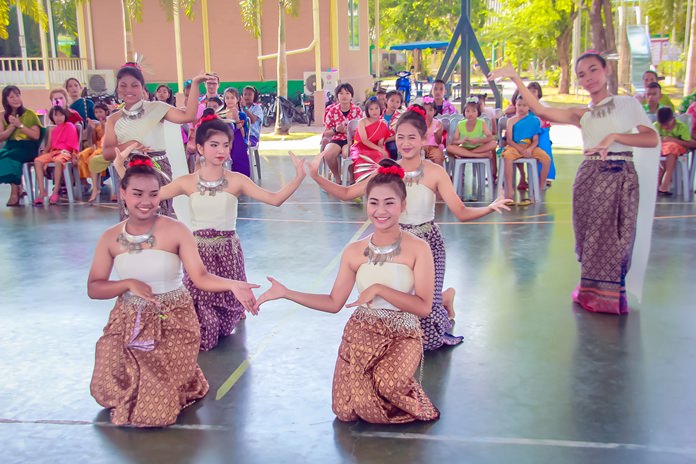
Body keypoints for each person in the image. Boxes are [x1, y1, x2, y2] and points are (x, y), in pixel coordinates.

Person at [254, 159, 440, 424]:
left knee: (388, 384)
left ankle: (403, 394)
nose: (381, 210)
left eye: (389, 203)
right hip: (362, 331)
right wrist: (287, 292)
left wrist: (379, 289)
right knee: (345, 410)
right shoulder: (354, 251)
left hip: (402, 332)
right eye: (373, 202)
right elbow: (333, 302)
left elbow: (423, 307)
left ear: (403, 205)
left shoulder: (418, 248)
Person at [309, 106, 510, 350]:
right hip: (395, 244)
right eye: (400, 137)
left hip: (427, 243)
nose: (405, 143)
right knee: (401, 307)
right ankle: (442, 298)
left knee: (427, 340)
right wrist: (315, 176)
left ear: (424, 139)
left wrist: (490, 207)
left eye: (412, 137)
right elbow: (348, 192)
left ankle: (442, 298)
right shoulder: (388, 171)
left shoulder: (435, 172)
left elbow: (461, 212)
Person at [87, 154, 259, 427]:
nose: (146, 202)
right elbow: (95, 287)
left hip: (174, 321)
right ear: (122, 193)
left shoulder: (177, 230)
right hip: (128, 320)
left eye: (153, 194)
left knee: (153, 411)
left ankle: (175, 380)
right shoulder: (110, 237)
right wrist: (127, 284)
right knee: (106, 389)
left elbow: (200, 277)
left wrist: (232, 284)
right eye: (137, 194)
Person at [115, 114, 305, 350]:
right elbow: (150, 196)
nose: (221, 151)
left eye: (226, 145)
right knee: (202, 325)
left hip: (228, 252)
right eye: (214, 145)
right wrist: (120, 169)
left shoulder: (237, 180)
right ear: (201, 148)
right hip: (198, 254)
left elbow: (275, 200)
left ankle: (230, 310)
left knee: (226, 320)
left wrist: (299, 177)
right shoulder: (187, 182)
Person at [490, 54, 660, 315]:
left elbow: (651, 139)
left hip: (619, 175)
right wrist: (515, 77)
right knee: (587, 239)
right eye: (581, 74)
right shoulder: (582, 113)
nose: (588, 77)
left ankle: (610, 297)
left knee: (615, 240)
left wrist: (614, 136)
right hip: (588, 175)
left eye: (593, 70)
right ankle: (589, 292)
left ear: (606, 70)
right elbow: (542, 110)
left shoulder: (627, 104)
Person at [102, 63, 210, 219]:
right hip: (128, 172)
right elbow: (107, 153)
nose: (128, 90)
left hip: (157, 168)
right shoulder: (113, 119)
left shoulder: (157, 108)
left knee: (159, 216)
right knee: (132, 218)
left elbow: (189, 116)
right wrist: (130, 144)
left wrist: (195, 84)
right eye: (123, 86)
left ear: (143, 87)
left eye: (134, 85)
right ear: (118, 89)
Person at [500, 96, 551, 202]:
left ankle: (540, 186)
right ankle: (510, 189)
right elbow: (509, 140)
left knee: (546, 159)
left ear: (529, 107)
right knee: (507, 157)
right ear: (515, 106)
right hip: (514, 146)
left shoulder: (534, 120)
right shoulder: (511, 121)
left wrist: (530, 149)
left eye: (524, 105)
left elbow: (535, 140)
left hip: (530, 147)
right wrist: (520, 149)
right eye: (519, 105)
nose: (521, 108)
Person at [0, 85, 43, 206]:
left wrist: (20, 126)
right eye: (11, 97)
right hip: (11, 145)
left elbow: (36, 136)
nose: (15, 99)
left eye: (17, 95)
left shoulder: (30, 114)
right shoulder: (2, 116)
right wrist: (12, 127)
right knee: (4, 155)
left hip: (27, 146)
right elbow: (1, 137)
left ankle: (15, 190)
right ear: (6, 100)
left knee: (12, 156)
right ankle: (18, 186)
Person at [33, 106, 80, 205]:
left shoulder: (70, 126)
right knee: (38, 161)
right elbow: (49, 145)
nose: (58, 117)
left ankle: (55, 191)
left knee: (58, 161)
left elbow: (73, 144)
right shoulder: (51, 128)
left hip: (65, 152)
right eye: (56, 115)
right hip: (53, 152)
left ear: (65, 116)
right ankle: (42, 192)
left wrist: (75, 155)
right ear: (52, 117)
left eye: (61, 115)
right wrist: (44, 152)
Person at [320, 83, 363, 183]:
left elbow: (362, 129)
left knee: (347, 153)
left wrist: (349, 131)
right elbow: (326, 133)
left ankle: (352, 177)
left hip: (351, 140)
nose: (344, 96)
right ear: (337, 96)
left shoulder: (357, 110)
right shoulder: (332, 111)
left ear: (351, 96)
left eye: (347, 93)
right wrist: (336, 130)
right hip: (336, 139)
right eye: (341, 93)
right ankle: (337, 177)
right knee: (328, 153)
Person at [445, 98, 497, 179]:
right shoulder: (460, 124)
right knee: (449, 148)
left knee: (494, 143)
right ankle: (476, 155)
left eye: (473, 111)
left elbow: (490, 137)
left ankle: (469, 154)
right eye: (467, 111)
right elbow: (454, 141)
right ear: (464, 112)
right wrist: (461, 141)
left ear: (478, 113)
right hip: (465, 148)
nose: (470, 114)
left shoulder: (482, 123)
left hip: (479, 148)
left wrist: (478, 140)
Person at [654, 107, 696, 195]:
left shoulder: (681, 126)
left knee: (672, 148)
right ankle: (662, 184)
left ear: (672, 119)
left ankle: (666, 180)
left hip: (676, 150)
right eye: (662, 124)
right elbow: (652, 140)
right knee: (664, 152)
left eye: (667, 124)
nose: (664, 127)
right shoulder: (656, 126)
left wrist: (673, 140)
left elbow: (689, 143)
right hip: (660, 151)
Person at [350, 98, 390, 181]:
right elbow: (364, 140)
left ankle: (377, 182)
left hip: (375, 147)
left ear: (380, 109)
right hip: (360, 147)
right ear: (367, 110)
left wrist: (382, 151)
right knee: (362, 158)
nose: (374, 111)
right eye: (371, 109)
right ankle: (361, 182)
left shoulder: (382, 124)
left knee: (381, 156)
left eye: (376, 108)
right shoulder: (362, 122)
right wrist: (380, 149)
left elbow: (380, 144)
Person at [78, 102, 110, 202]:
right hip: (98, 145)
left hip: (106, 146)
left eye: (100, 111)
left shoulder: (110, 121)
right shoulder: (96, 124)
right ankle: (89, 183)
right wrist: (91, 129)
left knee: (93, 158)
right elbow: (94, 139)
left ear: (106, 112)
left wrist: (103, 125)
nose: (98, 114)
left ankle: (96, 187)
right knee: (83, 155)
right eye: (96, 112)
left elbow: (108, 137)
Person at [526, 82, 555, 185]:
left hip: (542, 131)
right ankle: (533, 176)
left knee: (545, 148)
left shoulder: (543, 105)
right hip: (529, 132)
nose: (531, 94)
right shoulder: (524, 104)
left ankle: (546, 176)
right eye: (529, 91)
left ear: (538, 93)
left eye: (534, 91)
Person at [222, 88, 251, 177]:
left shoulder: (242, 115)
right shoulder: (221, 114)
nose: (229, 100)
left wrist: (236, 119)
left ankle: (240, 176)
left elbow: (243, 134)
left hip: (238, 141)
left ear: (237, 99)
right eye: (227, 98)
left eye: (232, 97)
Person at [421, 97, 445, 166]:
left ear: (434, 111)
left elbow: (438, 141)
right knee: (414, 158)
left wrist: (437, 133)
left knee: (438, 158)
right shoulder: (419, 123)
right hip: (420, 147)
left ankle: (438, 175)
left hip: (434, 147)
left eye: (430, 110)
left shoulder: (438, 123)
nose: (427, 113)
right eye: (425, 111)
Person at [382, 90, 403, 160]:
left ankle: (392, 168)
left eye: (397, 102)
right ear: (386, 100)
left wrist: (386, 140)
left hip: (392, 140)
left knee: (392, 149)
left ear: (400, 104)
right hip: (378, 139)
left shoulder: (401, 117)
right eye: (392, 100)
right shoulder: (378, 114)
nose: (394, 104)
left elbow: (400, 133)